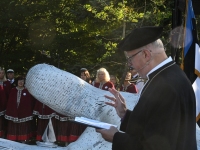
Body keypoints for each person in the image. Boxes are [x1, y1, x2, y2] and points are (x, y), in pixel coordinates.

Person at [96, 26, 197, 150]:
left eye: (130, 59)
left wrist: (116, 138)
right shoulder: (170, 74)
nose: (130, 65)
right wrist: (124, 114)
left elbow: (156, 145)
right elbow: (153, 125)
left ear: (146, 54)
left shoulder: (166, 86)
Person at [5, 76, 35, 143]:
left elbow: (29, 102)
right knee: (13, 125)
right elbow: (10, 102)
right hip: (13, 112)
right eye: (19, 81)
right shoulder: (13, 90)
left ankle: (22, 139)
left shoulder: (27, 91)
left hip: (24, 112)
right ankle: (13, 138)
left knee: (23, 126)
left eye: (22, 81)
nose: (21, 82)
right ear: (17, 82)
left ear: (24, 82)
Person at [0, 68, 11, 138]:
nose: (1, 74)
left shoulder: (7, 83)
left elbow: (9, 94)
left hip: (4, 105)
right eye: (0, 73)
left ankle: (3, 134)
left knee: (3, 120)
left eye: (2, 73)